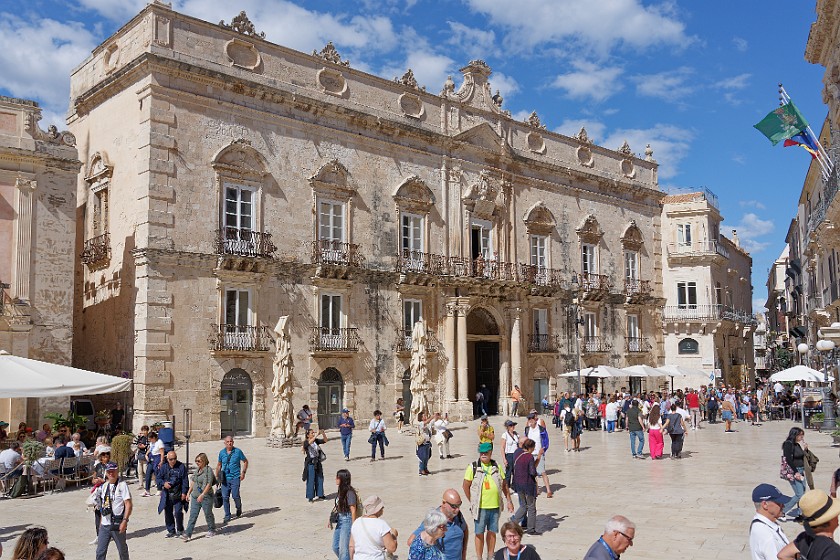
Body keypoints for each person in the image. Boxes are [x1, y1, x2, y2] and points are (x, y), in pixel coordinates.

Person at [462, 442, 514, 560]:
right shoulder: (473, 467)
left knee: (492, 532)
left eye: (486, 452)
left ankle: (490, 556)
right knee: (479, 533)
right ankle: (479, 558)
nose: (483, 454)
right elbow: (465, 486)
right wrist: (472, 501)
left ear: (491, 453)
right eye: (481, 453)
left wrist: (509, 501)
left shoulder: (496, 466)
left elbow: (504, 485)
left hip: (495, 507)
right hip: (480, 508)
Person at [777, 489, 840, 560]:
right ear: (829, 519)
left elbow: (782, 555)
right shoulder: (833, 551)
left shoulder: (804, 538)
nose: (837, 516)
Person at [408, 489, 469, 560]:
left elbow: (464, 529)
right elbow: (411, 541)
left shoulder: (457, 515)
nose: (457, 509)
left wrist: (464, 551)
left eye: (459, 505)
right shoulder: (434, 519)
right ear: (444, 503)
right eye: (454, 506)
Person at [94, 462, 132, 560]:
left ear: (117, 471)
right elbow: (104, 505)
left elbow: (128, 504)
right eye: (109, 472)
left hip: (117, 524)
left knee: (122, 550)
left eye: (113, 471)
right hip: (105, 525)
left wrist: (125, 521)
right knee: (100, 551)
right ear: (106, 473)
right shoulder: (104, 486)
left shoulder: (122, 485)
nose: (111, 474)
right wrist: (101, 523)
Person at [748, 483, 791, 560]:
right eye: (779, 503)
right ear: (765, 504)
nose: (783, 506)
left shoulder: (761, 523)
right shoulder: (767, 536)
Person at [349, 495, 398, 560]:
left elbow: (351, 547)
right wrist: (394, 536)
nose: (382, 508)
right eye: (381, 507)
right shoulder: (381, 524)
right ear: (377, 510)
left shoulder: (356, 522)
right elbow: (391, 548)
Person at [183, 452, 216, 541]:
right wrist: (188, 493)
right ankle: (188, 533)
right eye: (196, 461)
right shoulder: (197, 470)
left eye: (199, 461)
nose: (197, 463)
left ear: (204, 461)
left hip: (206, 497)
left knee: (208, 514)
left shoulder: (208, 470)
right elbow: (193, 482)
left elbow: (208, 484)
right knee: (193, 515)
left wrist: (202, 494)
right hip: (195, 496)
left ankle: (212, 529)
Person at [216, 435, 248, 522]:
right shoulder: (222, 453)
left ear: (233, 442)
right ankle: (227, 515)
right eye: (228, 442)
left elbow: (245, 461)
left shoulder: (238, 452)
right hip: (225, 478)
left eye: (231, 441)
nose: (229, 443)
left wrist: (243, 472)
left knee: (235, 495)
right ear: (225, 443)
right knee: (225, 497)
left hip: (235, 477)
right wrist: (217, 477)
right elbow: (219, 465)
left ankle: (238, 507)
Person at [510, 438, 539, 535]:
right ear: (530, 447)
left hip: (518, 485)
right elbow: (532, 472)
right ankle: (531, 529)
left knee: (523, 506)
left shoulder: (518, 454)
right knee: (531, 507)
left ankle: (512, 523)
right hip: (528, 485)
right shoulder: (529, 456)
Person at [157, 451, 188, 537]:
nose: (173, 461)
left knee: (178, 512)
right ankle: (171, 530)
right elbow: (158, 478)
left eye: (175, 459)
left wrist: (184, 493)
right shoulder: (164, 467)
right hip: (167, 494)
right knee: (168, 512)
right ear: (167, 459)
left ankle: (180, 529)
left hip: (178, 493)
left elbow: (185, 480)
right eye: (171, 459)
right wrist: (164, 483)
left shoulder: (181, 466)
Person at [523, 413, 552, 497]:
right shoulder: (527, 430)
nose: (530, 421)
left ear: (535, 419)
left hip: (539, 452)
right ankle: (536, 490)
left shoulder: (541, 429)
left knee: (542, 472)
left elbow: (546, 440)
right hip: (530, 453)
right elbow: (525, 440)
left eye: (531, 419)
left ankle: (548, 491)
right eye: (529, 419)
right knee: (533, 473)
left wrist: (543, 449)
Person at [331, 469, 358, 560]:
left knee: (344, 549)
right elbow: (338, 504)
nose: (335, 479)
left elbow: (353, 510)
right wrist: (331, 517)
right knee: (335, 547)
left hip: (347, 521)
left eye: (337, 477)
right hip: (340, 520)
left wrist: (353, 526)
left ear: (342, 479)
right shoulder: (341, 490)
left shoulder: (350, 492)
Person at [782, 427, 807, 519]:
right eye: (800, 435)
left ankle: (801, 514)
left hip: (801, 470)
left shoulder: (797, 444)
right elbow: (788, 459)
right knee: (799, 494)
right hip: (794, 471)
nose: (802, 437)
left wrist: (805, 449)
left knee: (802, 494)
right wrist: (796, 472)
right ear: (795, 435)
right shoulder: (788, 444)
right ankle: (782, 511)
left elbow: (801, 456)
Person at [303, 428, 328, 502]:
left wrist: (323, 434)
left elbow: (325, 440)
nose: (313, 434)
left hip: (317, 461)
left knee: (320, 478)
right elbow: (309, 443)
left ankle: (320, 494)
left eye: (314, 433)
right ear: (308, 435)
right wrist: (316, 434)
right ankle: (310, 497)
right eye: (312, 433)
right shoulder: (306, 442)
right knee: (311, 479)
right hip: (310, 463)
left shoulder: (315, 441)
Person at [141, 431, 164, 497]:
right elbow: (150, 449)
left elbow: (162, 453)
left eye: (150, 439)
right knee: (148, 474)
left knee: (157, 474)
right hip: (151, 458)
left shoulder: (159, 442)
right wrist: (146, 454)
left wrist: (161, 461)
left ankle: (159, 489)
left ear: (153, 438)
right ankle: (147, 490)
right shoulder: (152, 443)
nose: (149, 440)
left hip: (157, 457)